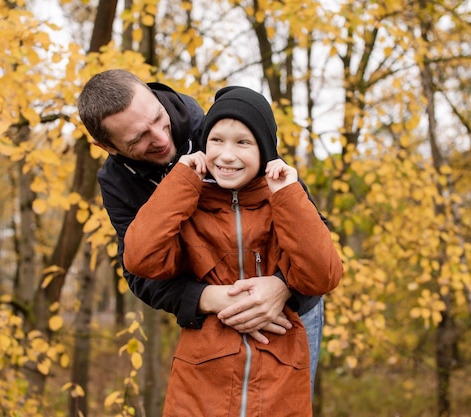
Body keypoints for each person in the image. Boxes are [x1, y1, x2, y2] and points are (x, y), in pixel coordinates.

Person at [77, 69, 327, 389]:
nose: (161, 138)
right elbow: (138, 272)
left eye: (157, 117)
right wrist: (208, 298)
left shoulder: (223, 128)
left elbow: (310, 227)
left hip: (289, 310)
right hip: (212, 320)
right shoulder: (117, 183)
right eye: (138, 138)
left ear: (154, 95)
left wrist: (283, 287)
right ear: (106, 147)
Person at [123, 86, 342, 416]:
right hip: (200, 377)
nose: (227, 155)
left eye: (243, 142)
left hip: (280, 374)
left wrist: (288, 196)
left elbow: (323, 274)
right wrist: (182, 181)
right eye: (217, 141)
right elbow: (140, 258)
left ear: (265, 150)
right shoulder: (191, 206)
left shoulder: (282, 202)